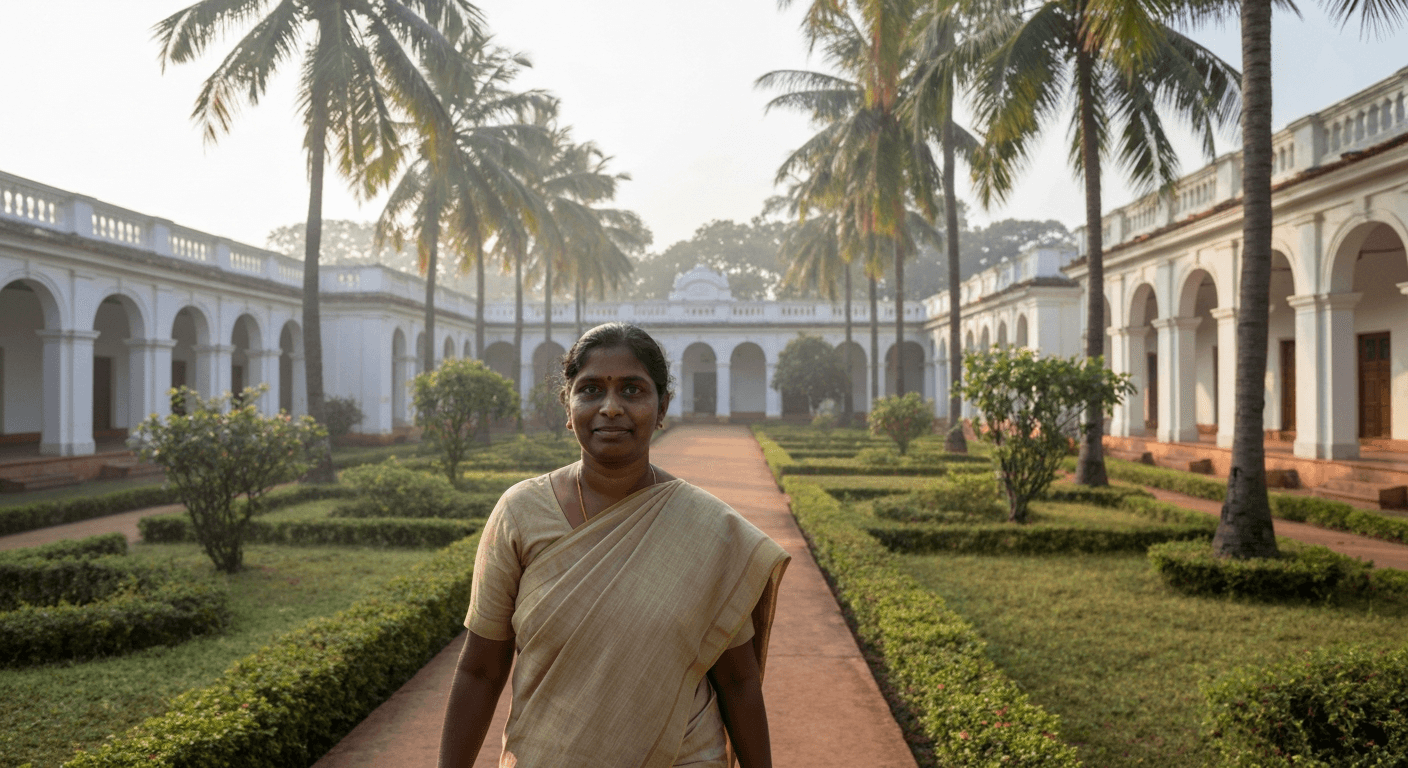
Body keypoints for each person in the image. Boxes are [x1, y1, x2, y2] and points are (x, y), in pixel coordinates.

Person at [439, 322, 791, 768]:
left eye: (632, 390)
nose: (610, 407)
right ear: (567, 406)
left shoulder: (709, 529)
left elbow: (738, 682)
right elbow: (480, 669)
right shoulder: (521, 513)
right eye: (590, 390)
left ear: (662, 407)